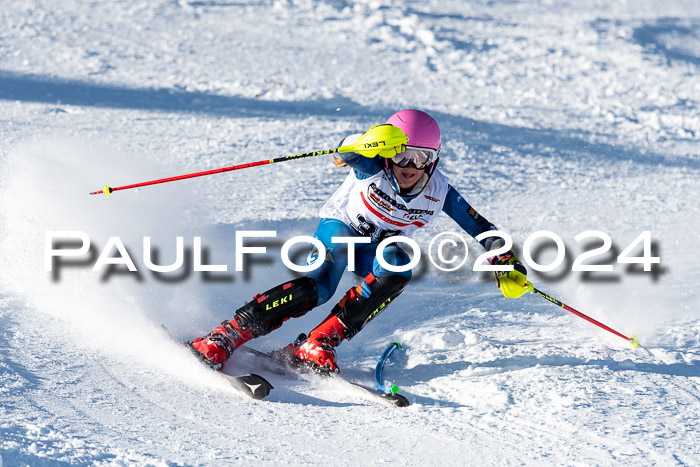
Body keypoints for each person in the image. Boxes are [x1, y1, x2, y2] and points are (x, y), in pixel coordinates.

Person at [189, 109, 532, 374]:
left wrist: (504, 258)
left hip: (376, 251)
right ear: (388, 153)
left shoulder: (438, 191)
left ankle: (319, 342)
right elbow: (348, 151)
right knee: (316, 290)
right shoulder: (373, 165)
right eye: (403, 156)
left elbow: (481, 227)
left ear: (435, 160)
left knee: (401, 266)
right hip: (342, 231)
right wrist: (366, 142)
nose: (410, 167)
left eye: (422, 158)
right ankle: (226, 334)